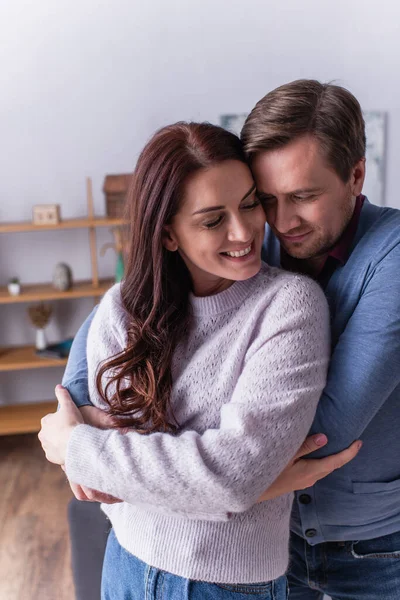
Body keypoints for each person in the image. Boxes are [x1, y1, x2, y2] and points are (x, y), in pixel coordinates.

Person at [39, 122, 357, 600]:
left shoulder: (290, 305)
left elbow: (230, 476)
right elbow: (123, 486)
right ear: (168, 234)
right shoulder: (121, 308)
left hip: (229, 584)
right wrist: (212, 482)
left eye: (250, 202)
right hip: (125, 563)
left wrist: (78, 448)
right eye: (213, 219)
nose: (244, 230)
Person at [240, 79, 400, 599]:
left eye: (303, 196)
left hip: (379, 552)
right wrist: (74, 406)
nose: (282, 222)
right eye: (267, 199)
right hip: (267, 539)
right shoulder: (247, 240)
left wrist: (191, 469)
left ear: (356, 175)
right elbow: (136, 299)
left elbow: (326, 427)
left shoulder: (393, 254)